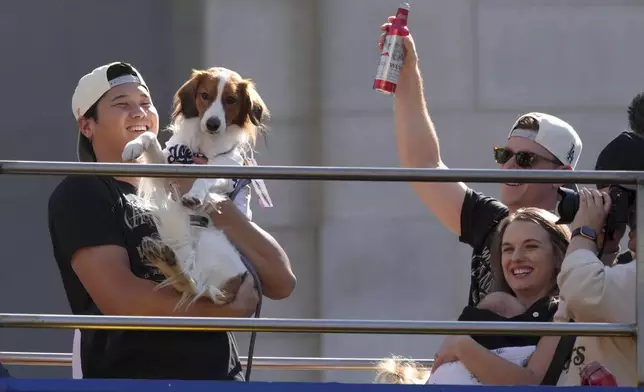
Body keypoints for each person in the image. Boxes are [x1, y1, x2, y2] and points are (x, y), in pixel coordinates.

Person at [47, 62, 296, 380]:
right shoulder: (84, 190)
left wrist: (206, 194)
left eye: (145, 103)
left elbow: (281, 281)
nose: (139, 113)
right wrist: (224, 313)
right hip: (133, 379)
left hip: (218, 377)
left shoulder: (185, 184)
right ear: (87, 126)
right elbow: (122, 299)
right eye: (122, 104)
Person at [378, 18, 583, 306]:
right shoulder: (492, 220)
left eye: (525, 159)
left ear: (561, 176)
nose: (509, 166)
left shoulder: (582, 237)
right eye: (504, 155)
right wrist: (408, 72)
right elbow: (423, 165)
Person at [376, 208, 571, 385]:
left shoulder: (563, 313)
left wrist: (462, 345)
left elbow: (529, 384)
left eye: (531, 246)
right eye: (508, 249)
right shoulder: (489, 307)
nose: (516, 257)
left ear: (558, 256)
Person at [554, 130, 644, 386]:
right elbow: (570, 312)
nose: (611, 210)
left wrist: (584, 233)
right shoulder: (625, 270)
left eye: (618, 198)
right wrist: (602, 252)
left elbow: (584, 292)